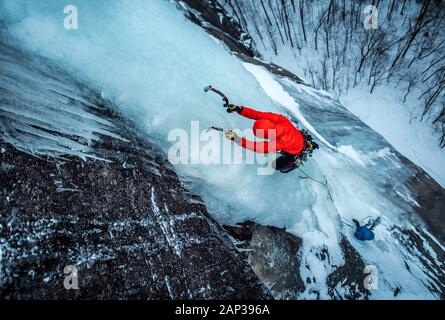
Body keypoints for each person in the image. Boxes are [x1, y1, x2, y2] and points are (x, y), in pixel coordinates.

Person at [224, 104, 311, 173]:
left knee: (275, 166)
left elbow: (258, 147)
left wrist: (236, 139)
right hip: (299, 137)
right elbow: (257, 114)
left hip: (295, 152)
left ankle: (294, 164)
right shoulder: (281, 119)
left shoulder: (282, 142)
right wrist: (239, 109)